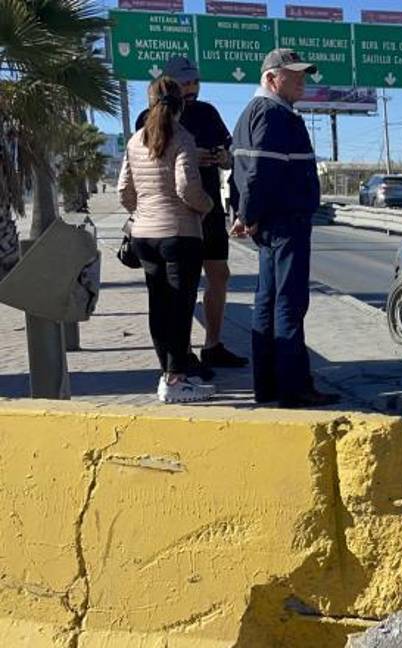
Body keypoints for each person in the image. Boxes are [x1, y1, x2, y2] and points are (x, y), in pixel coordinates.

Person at [231, 49, 340, 409]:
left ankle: (270, 386)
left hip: (273, 221)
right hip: (285, 222)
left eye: (303, 75)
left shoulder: (256, 113)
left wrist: (244, 213)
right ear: (271, 78)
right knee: (288, 304)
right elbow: (260, 172)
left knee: (269, 301)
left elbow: (241, 173)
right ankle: (293, 387)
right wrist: (249, 215)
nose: (301, 81)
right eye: (294, 75)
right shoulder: (273, 114)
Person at [135, 56, 249, 374]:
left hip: (209, 210)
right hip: (176, 216)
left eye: (196, 82)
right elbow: (149, 162)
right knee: (176, 291)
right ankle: (179, 357)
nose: (192, 88)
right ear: (169, 85)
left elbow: (230, 158)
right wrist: (190, 157)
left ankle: (212, 345)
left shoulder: (208, 113)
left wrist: (223, 157)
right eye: (185, 83)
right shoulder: (148, 118)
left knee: (218, 275)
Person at [118, 76, 216, 403]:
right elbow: (187, 188)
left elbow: (123, 191)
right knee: (180, 306)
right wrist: (207, 206)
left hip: (144, 236)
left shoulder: (135, 140)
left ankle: (166, 376)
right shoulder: (183, 138)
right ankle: (176, 379)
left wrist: (143, 211)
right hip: (179, 234)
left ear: (150, 103)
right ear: (182, 104)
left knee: (158, 306)